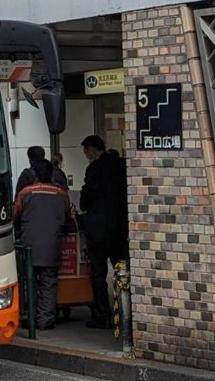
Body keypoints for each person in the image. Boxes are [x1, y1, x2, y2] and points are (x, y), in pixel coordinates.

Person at [13, 159, 71, 330]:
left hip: (28, 247)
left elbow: (15, 217)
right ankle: (45, 321)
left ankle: (28, 319)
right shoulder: (62, 194)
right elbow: (68, 217)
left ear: (35, 175)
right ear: (51, 175)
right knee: (48, 284)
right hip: (52, 246)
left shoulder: (25, 193)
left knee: (27, 283)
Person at [77, 135, 128, 329]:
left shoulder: (94, 169)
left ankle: (103, 315)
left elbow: (86, 198)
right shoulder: (120, 165)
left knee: (98, 274)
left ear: (92, 150)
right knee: (122, 272)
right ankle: (128, 312)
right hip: (119, 229)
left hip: (98, 231)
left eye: (86, 151)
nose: (86, 155)